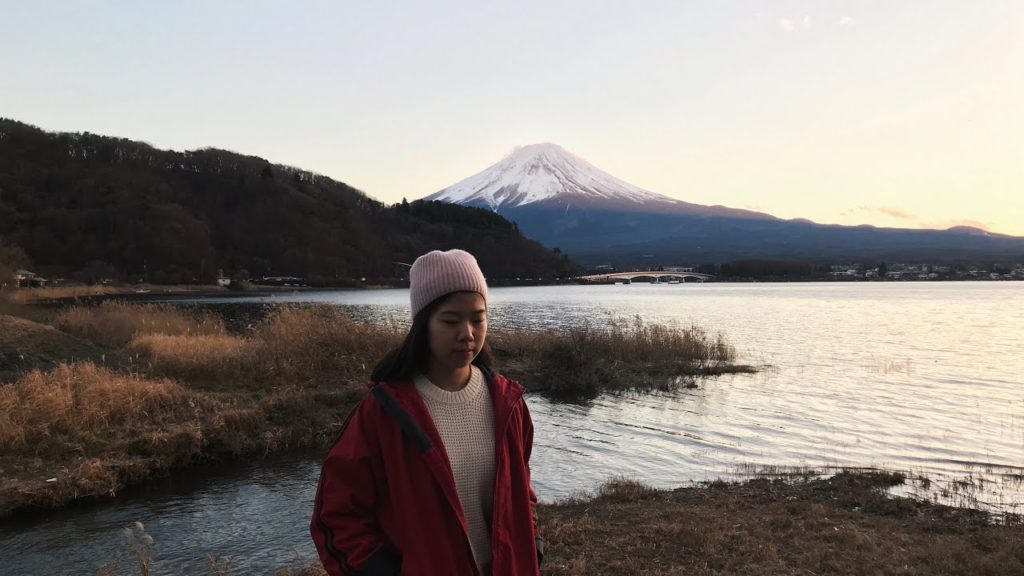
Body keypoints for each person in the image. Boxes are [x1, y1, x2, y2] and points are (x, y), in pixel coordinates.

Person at [310, 249, 543, 576]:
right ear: (424, 324)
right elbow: (335, 517)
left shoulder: (509, 403)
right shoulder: (384, 413)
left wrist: (532, 544)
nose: (468, 333)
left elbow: (521, 489)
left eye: (478, 318)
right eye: (450, 320)